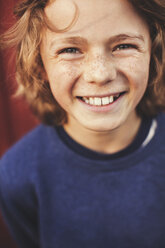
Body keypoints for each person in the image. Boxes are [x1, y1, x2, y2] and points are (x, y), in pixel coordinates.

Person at [0, 0, 165, 247]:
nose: (99, 74)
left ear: (153, 53)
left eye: (124, 45)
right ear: (39, 64)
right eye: (70, 50)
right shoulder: (16, 176)